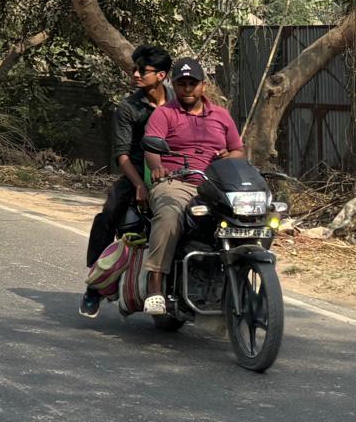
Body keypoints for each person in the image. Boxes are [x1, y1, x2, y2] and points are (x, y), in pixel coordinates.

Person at [141, 58, 244, 316]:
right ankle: (155, 285)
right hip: (177, 181)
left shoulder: (221, 115)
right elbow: (151, 148)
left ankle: (244, 276)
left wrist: (229, 157)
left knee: (250, 217)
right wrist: (158, 167)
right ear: (173, 85)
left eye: (193, 83)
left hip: (216, 185)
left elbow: (238, 151)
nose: (187, 88)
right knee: (169, 212)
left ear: (203, 86)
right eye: (181, 83)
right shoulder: (164, 113)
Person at [79, 45, 173, 318]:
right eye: (134, 69)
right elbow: (121, 154)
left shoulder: (179, 103)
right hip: (135, 173)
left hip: (176, 174)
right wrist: (139, 185)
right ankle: (95, 287)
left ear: (161, 75)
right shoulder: (128, 107)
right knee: (110, 212)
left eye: (142, 70)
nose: (135, 74)